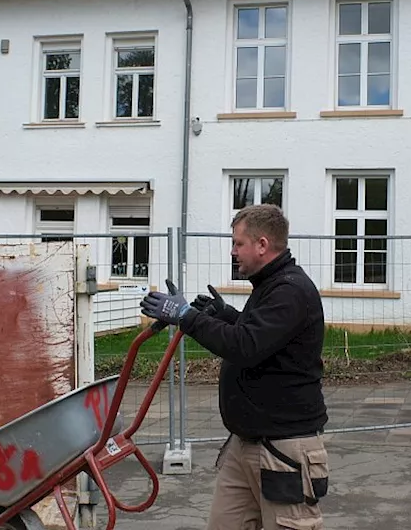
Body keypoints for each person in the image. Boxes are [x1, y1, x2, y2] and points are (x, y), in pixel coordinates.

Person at [139, 204, 329, 530]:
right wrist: (224, 314)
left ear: (262, 245)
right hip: (246, 444)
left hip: (282, 449)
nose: (233, 251)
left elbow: (246, 347)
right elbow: (263, 338)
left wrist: (187, 317)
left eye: (238, 243)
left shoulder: (290, 290)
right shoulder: (271, 286)